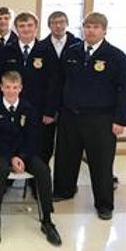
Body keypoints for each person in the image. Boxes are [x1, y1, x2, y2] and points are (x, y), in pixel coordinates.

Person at [53, 13, 126, 220]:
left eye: (95, 27)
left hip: (101, 119)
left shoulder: (116, 57)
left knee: (100, 162)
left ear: (104, 30)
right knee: (66, 157)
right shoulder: (72, 52)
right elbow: (60, 82)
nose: (90, 30)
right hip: (70, 115)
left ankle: (104, 203)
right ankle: (64, 190)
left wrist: (120, 120)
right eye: (87, 26)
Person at [0, 71, 61, 246]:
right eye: (8, 87)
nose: (11, 91)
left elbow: (33, 137)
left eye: (15, 87)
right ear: (1, 87)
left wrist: (21, 156)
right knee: (1, 170)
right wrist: (11, 158)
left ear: (21, 88)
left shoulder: (29, 108)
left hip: (24, 152)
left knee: (43, 170)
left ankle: (47, 220)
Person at [0, 12, 60, 164]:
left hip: (40, 110)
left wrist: (50, 111)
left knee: (41, 149)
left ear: (36, 27)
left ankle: (36, 184)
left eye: (29, 25)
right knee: (12, 143)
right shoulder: (7, 50)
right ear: (16, 28)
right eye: (22, 26)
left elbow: (55, 83)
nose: (26, 29)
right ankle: (8, 178)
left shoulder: (46, 50)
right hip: (13, 109)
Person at [37, 11, 81, 164]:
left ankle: (66, 184)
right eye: (54, 22)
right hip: (47, 105)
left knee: (69, 146)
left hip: (71, 104)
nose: (58, 25)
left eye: (62, 22)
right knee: (44, 145)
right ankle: (41, 182)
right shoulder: (41, 46)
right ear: (49, 25)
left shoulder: (78, 46)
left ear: (67, 23)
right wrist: (48, 109)